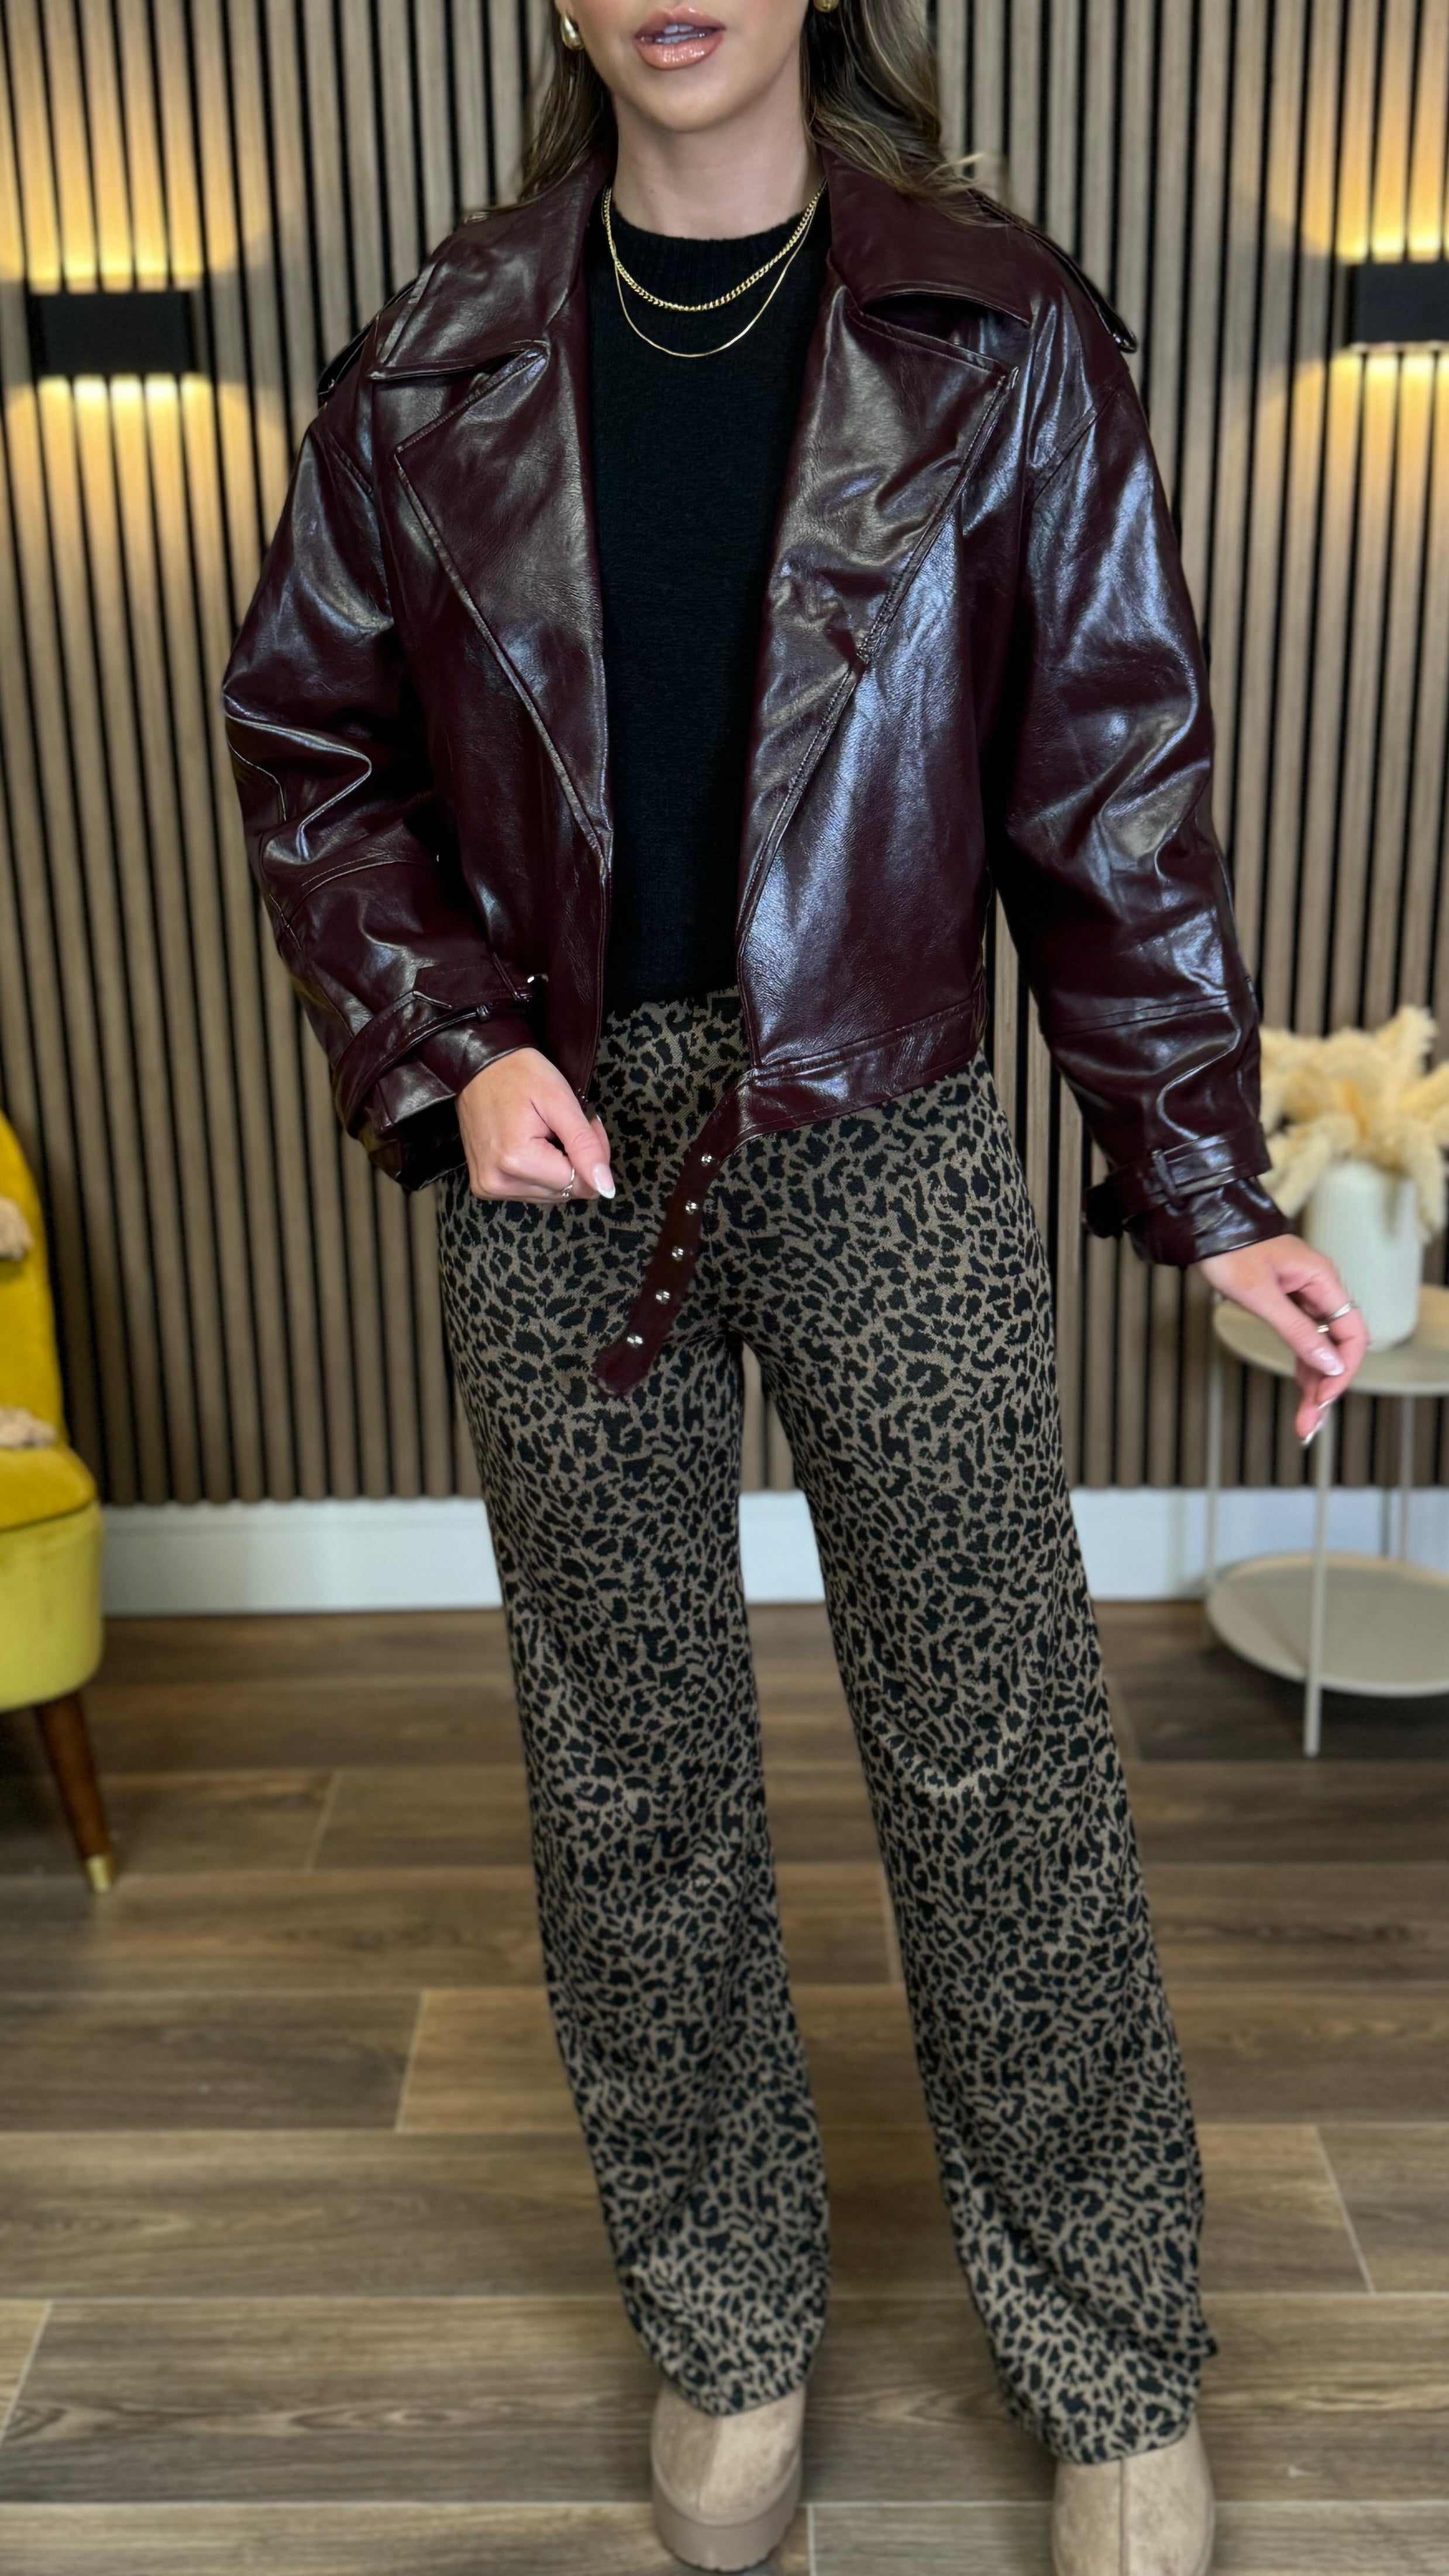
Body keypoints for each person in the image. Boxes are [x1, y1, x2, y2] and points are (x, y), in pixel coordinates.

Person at [221, 5, 1368, 2568]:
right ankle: (724, 2327)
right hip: (553, 1145)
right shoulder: (433, 356)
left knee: (1001, 1765)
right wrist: (452, 1040)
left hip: (886, 1110)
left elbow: (1112, 791)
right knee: (626, 1774)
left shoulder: (999, 328)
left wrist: (1214, 1185)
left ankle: (1111, 2360)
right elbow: (315, 748)